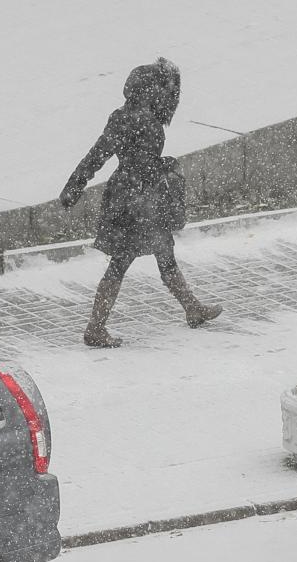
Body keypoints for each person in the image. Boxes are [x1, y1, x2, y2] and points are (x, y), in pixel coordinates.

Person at [59, 57, 221, 347]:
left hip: (131, 195)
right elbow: (138, 163)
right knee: (124, 261)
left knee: (162, 253)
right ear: (148, 91)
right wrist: (162, 167)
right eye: (156, 89)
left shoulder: (122, 116)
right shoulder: (140, 119)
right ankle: (95, 328)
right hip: (139, 200)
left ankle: (192, 308)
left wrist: (75, 185)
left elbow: (97, 155)